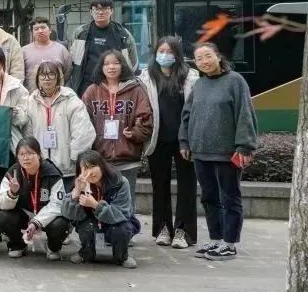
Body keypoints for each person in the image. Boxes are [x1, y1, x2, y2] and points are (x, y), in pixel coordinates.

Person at [180, 42, 258, 262]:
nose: (204, 61)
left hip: (227, 153)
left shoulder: (235, 81)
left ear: (218, 56)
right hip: (200, 152)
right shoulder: (199, 84)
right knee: (209, 197)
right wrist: (185, 142)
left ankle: (230, 244)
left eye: (208, 56)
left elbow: (245, 113)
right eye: (199, 58)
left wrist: (245, 146)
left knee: (230, 198)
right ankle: (216, 239)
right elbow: (187, 115)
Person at [140, 36, 199, 250]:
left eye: (170, 51)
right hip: (158, 140)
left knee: (187, 186)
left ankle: (183, 231)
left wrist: (190, 140)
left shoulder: (191, 77)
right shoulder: (146, 77)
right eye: (161, 51)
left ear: (178, 54)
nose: (165, 55)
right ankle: (162, 228)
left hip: (184, 141)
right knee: (159, 185)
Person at [81, 49, 152, 196]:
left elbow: (146, 119)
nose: (111, 67)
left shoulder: (136, 90)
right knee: (102, 200)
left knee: (127, 201)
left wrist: (134, 133)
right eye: (107, 64)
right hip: (100, 161)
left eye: (116, 63)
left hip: (128, 159)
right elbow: (82, 123)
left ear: (123, 65)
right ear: (101, 67)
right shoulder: (92, 91)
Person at [14, 61, 95, 188]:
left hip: (67, 170)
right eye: (43, 75)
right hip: (41, 170)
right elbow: (28, 134)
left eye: (51, 74)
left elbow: (83, 131)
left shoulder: (71, 100)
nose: (47, 79)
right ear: (37, 78)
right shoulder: (31, 101)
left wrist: (74, 157)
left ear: (58, 77)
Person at [0, 136, 72, 260]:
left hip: (46, 215)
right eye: (21, 154)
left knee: (60, 223)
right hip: (23, 214)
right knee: (2, 216)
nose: (26, 158)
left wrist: (36, 222)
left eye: (30, 153)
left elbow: (57, 204)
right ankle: (17, 245)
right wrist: (12, 193)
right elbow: (0, 203)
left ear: (39, 154)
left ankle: (53, 247)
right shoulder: (13, 173)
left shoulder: (52, 173)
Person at [63, 150, 139, 268]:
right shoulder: (80, 184)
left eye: (92, 166)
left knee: (122, 228)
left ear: (101, 165)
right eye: (84, 169)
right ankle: (86, 253)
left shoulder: (120, 182)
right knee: (86, 226)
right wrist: (76, 192)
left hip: (115, 224)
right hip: (92, 223)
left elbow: (122, 214)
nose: (89, 172)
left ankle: (122, 256)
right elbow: (68, 214)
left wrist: (95, 205)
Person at [68, 0, 139, 96]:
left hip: (115, 86)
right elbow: (72, 60)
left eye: (105, 9)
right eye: (96, 9)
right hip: (85, 86)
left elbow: (133, 63)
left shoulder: (123, 34)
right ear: (91, 12)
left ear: (111, 11)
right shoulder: (80, 33)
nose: (100, 12)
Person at [22, 16, 72, 91]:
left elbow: (67, 72)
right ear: (32, 32)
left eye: (43, 28)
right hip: (31, 95)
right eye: (36, 29)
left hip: (57, 95)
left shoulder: (61, 49)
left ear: (50, 30)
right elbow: (20, 73)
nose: (40, 31)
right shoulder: (24, 51)